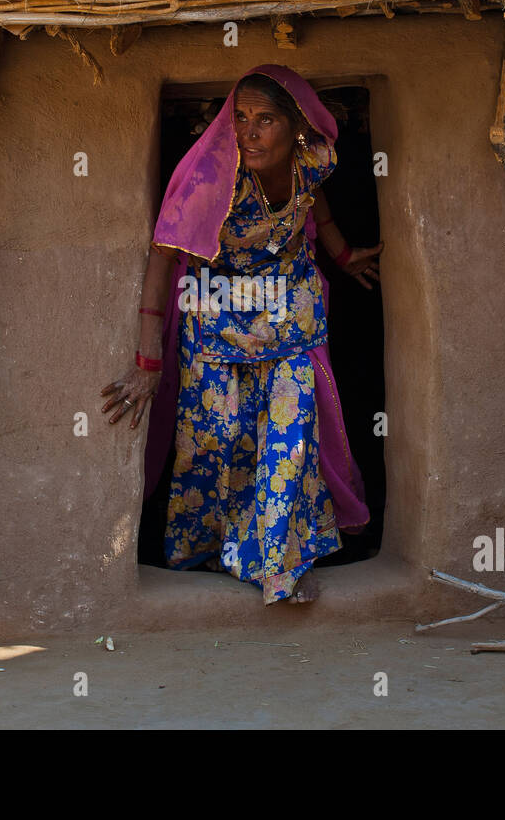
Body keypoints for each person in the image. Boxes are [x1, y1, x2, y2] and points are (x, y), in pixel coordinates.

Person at [100, 63, 382, 604]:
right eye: (242, 119)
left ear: (297, 126)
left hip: (289, 317)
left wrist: (343, 256)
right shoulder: (213, 176)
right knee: (217, 439)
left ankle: (278, 564)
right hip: (217, 319)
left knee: (290, 436)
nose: (249, 132)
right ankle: (209, 549)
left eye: (265, 120)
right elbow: (164, 258)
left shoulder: (312, 161)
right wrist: (148, 361)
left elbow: (313, 208)